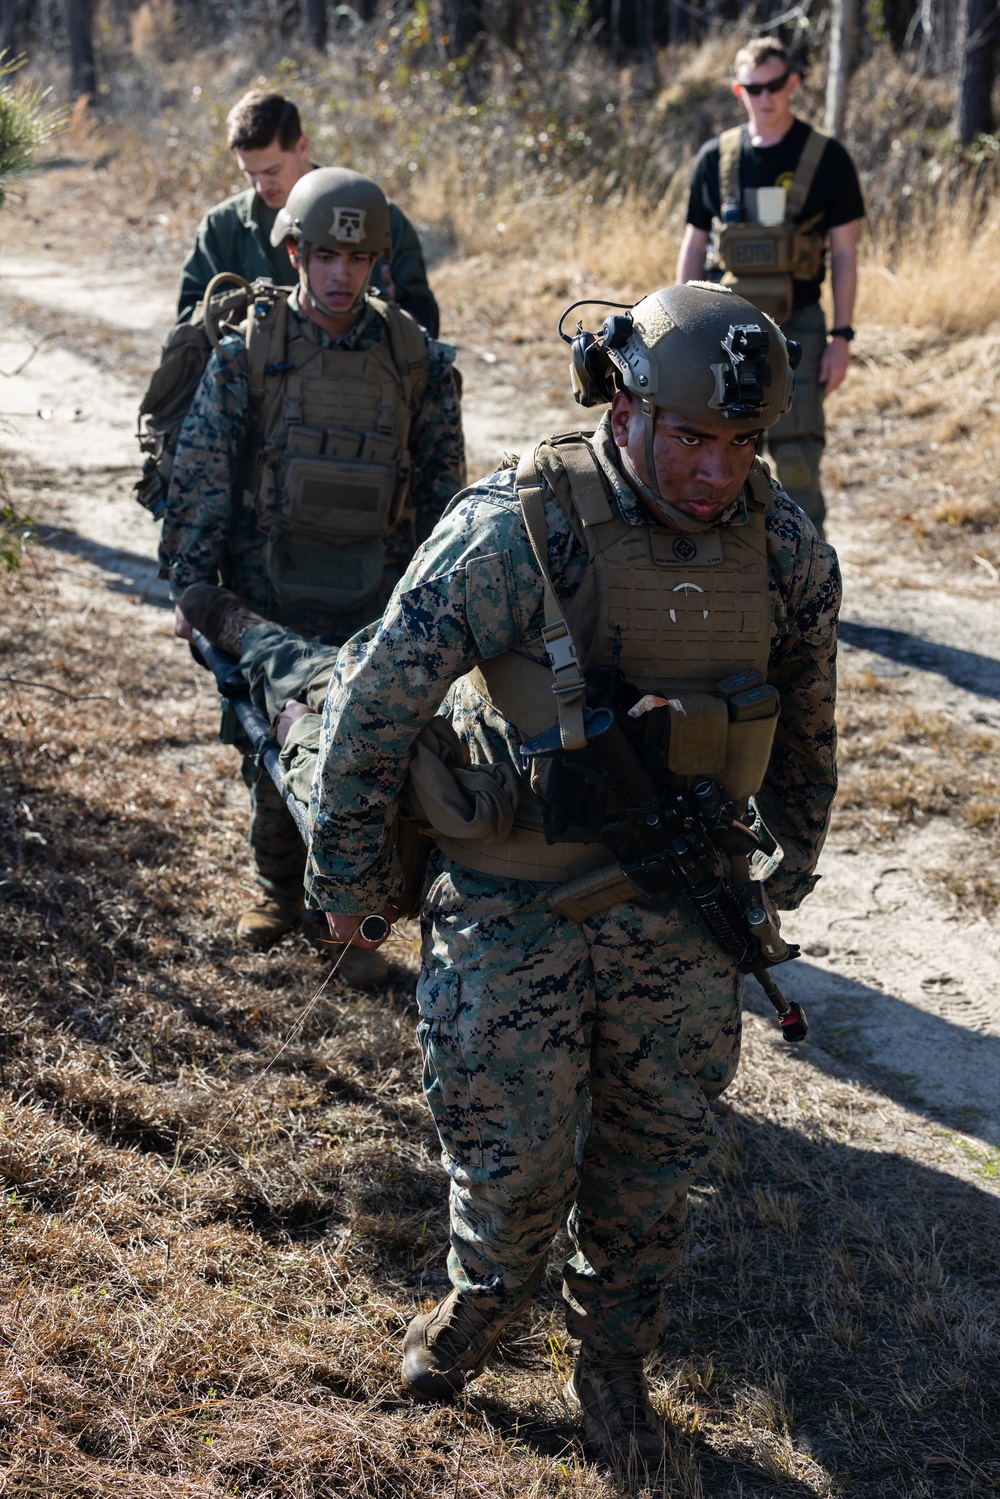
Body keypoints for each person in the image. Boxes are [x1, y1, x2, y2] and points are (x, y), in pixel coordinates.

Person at [292, 282, 840, 1471]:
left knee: (654, 1162)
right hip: (512, 898)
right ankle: (482, 1304)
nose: (715, 470)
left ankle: (611, 1361)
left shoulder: (780, 540)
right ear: (626, 404)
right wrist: (343, 873)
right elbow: (380, 696)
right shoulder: (518, 528)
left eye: (742, 442)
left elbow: (805, 705)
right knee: (512, 1157)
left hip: (681, 904)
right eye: (692, 437)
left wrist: (795, 845)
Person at [159, 167, 466, 970]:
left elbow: (441, 485)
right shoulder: (252, 350)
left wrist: (442, 602)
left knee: (372, 755)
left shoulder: (414, 358)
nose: (341, 274)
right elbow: (204, 469)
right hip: (268, 588)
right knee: (272, 749)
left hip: (377, 590)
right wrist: (193, 581)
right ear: (294, 251)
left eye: (358, 260)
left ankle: (350, 915)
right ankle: (278, 890)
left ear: (377, 264)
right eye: (325, 255)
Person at [676, 37, 865, 536]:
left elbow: (845, 252)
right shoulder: (716, 158)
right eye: (754, 87)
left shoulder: (827, 159)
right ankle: (728, 582)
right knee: (717, 456)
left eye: (775, 85)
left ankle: (809, 590)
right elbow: (694, 246)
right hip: (721, 330)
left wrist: (842, 337)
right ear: (740, 90)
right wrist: (677, 326)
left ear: (793, 85)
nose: (765, 97)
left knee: (798, 458)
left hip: (798, 325)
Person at [178, 90, 440, 337]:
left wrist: (388, 317)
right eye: (250, 173)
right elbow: (190, 320)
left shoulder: (373, 213)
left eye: (271, 171)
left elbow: (424, 320)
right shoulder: (222, 227)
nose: (261, 185)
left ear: (302, 146)